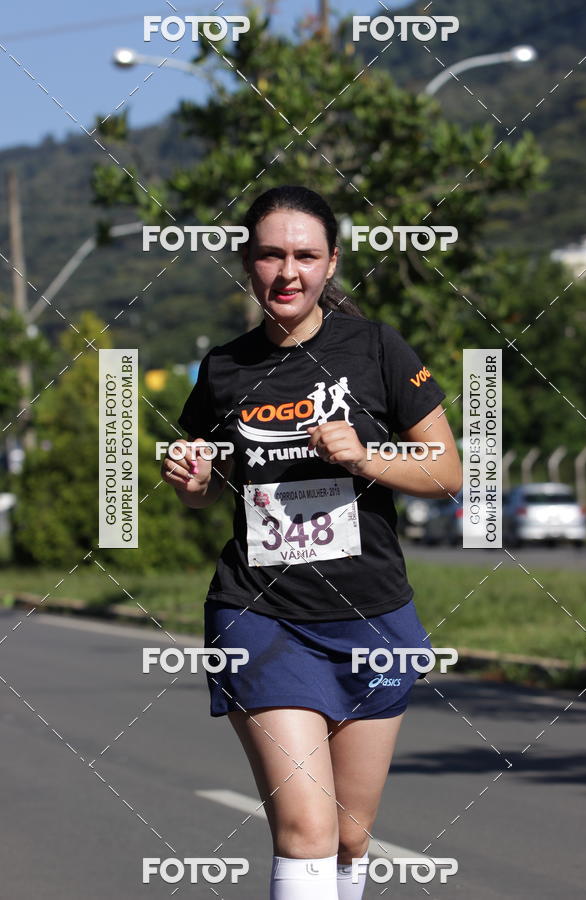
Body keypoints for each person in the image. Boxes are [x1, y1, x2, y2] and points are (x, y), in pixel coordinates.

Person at [161, 185, 462, 899]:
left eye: (305, 255)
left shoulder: (377, 347)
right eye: (270, 255)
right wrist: (190, 478)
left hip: (372, 616)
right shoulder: (223, 369)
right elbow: (207, 486)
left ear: (331, 264)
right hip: (260, 615)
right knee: (305, 829)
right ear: (247, 263)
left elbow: (449, 473)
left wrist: (363, 456)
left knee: (350, 835)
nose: (286, 272)